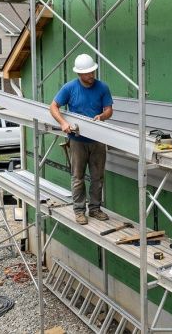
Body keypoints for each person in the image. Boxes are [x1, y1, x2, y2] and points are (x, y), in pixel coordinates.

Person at [50, 53, 113, 225]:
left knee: (97, 177)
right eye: (87, 73)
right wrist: (63, 123)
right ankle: (79, 211)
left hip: (97, 140)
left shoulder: (102, 88)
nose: (91, 76)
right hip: (77, 140)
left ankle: (95, 209)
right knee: (77, 177)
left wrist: (102, 116)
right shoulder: (70, 88)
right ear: (79, 74)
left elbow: (109, 109)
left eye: (92, 72)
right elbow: (53, 106)